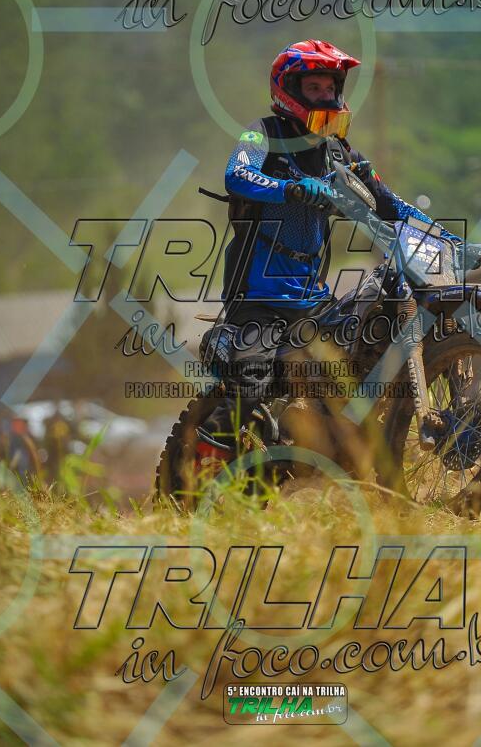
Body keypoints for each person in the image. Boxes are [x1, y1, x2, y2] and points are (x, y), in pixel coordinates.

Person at [194, 39, 462, 473]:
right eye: (314, 87)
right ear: (289, 89)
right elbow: (237, 174)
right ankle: (196, 474)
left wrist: (445, 237)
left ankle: (339, 446)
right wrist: (290, 188)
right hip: (257, 296)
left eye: (330, 88)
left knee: (363, 350)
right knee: (250, 385)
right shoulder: (262, 132)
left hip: (314, 299)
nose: (325, 96)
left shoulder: (340, 151)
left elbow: (390, 203)